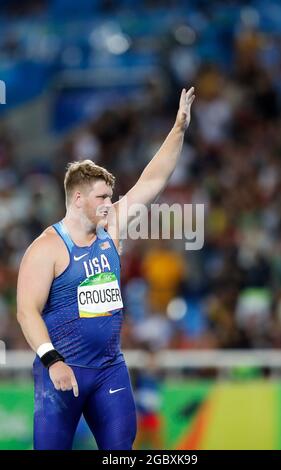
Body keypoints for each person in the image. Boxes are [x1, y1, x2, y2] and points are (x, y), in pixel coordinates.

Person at [16, 87, 195, 450]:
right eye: (101, 198)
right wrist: (52, 361)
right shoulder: (46, 248)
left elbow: (152, 181)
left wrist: (178, 129)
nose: (109, 204)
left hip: (109, 369)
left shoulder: (111, 226)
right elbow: (25, 311)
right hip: (61, 372)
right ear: (78, 199)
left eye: (111, 198)